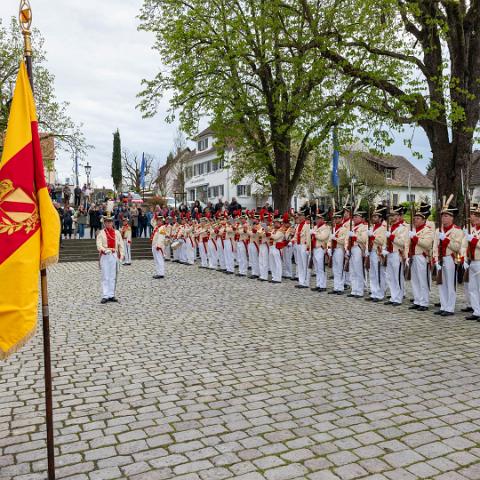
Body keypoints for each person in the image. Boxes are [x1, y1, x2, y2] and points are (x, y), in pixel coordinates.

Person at [407, 205, 434, 311]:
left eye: (418, 218)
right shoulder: (412, 230)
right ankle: (417, 300)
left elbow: (427, 244)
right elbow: (406, 244)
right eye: (415, 218)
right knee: (415, 280)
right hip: (413, 256)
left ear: (424, 220)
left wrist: (414, 237)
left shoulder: (427, 230)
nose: (415, 220)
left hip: (422, 256)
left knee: (423, 280)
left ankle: (424, 302)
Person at [96, 215, 124, 304]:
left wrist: (121, 256)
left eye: (110, 222)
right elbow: (99, 245)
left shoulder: (117, 233)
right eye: (107, 222)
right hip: (105, 256)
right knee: (105, 276)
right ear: (104, 223)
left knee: (113, 276)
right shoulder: (101, 233)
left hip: (114, 255)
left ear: (112, 223)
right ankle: (105, 295)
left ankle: (111, 295)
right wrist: (105, 250)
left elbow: (121, 245)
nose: (108, 223)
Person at [384, 205, 408, 306]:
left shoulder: (403, 228)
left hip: (397, 253)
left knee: (397, 277)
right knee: (390, 277)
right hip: (389, 253)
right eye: (390, 215)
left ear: (398, 216)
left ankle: (398, 298)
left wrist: (392, 237)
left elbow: (402, 242)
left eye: (393, 215)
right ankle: (393, 296)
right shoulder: (390, 227)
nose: (391, 217)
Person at [366, 205, 387, 302]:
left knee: (379, 274)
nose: (373, 218)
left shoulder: (383, 227)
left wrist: (373, 236)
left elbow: (382, 241)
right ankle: (374, 292)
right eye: (373, 216)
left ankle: (380, 294)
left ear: (380, 218)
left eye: (375, 217)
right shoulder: (373, 227)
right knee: (373, 274)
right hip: (371, 251)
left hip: (378, 252)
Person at [346, 208, 368, 298]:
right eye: (354, 217)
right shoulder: (351, 227)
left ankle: (359, 290)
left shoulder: (364, 227)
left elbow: (363, 239)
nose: (354, 218)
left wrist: (354, 236)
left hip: (358, 248)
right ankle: (354, 289)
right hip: (351, 248)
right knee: (352, 270)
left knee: (358, 270)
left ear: (361, 218)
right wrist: (346, 248)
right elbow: (346, 239)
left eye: (356, 217)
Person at [311, 211, 330, 292]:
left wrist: (314, 234)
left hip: (320, 248)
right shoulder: (315, 227)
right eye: (316, 218)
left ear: (322, 219)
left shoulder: (326, 227)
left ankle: (323, 285)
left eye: (319, 218)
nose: (317, 220)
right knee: (317, 268)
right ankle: (318, 284)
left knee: (321, 268)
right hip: (315, 248)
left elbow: (322, 237)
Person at [293, 212, 311, 288]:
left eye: (300, 216)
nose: (299, 217)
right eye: (298, 216)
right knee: (300, 264)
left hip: (304, 245)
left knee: (305, 264)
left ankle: (306, 282)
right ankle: (301, 281)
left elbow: (308, 237)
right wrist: (292, 241)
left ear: (304, 217)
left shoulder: (307, 225)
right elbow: (295, 236)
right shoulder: (298, 226)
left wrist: (308, 248)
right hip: (298, 245)